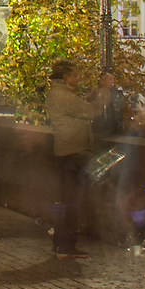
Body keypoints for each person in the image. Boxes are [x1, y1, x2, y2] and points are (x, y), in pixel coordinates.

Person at [42, 58, 113, 260]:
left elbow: (80, 106)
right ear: (66, 77)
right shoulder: (64, 97)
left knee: (66, 200)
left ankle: (61, 244)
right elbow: (92, 110)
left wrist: (95, 91)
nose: (77, 77)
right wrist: (105, 90)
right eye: (74, 74)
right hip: (73, 152)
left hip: (66, 151)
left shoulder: (60, 94)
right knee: (72, 202)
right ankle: (66, 245)